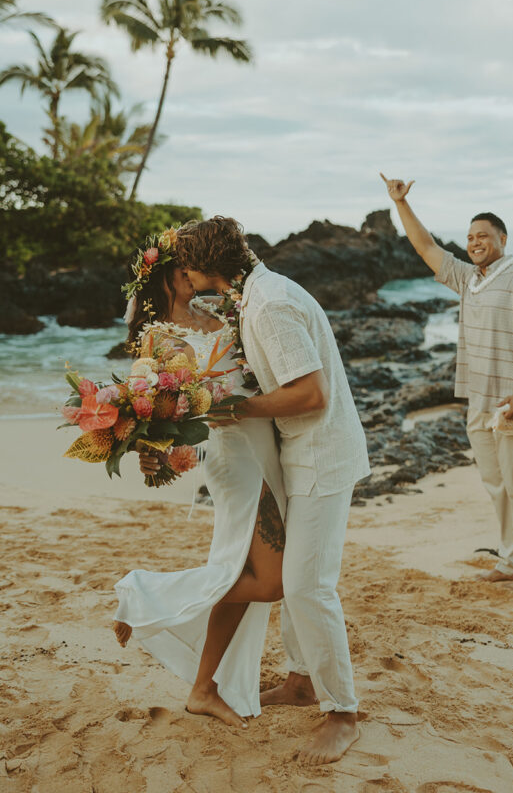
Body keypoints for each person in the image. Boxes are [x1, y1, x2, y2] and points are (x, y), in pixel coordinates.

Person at [171, 216, 370, 766]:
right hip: (297, 456)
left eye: (187, 264)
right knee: (297, 579)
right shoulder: (255, 295)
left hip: (321, 457)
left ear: (206, 266)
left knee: (307, 587)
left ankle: (342, 713)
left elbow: (310, 395)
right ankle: (303, 681)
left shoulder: (269, 305)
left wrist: (232, 407)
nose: (184, 275)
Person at [112, 229, 287, 728]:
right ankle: (142, 596)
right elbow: (161, 413)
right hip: (233, 456)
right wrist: (156, 456)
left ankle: (204, 688)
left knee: (244, 572)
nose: (193, 270)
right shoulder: (156, 337)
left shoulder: (219, 317)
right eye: (184, 264)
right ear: (169, 274)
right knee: (269, 582)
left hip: (264, 443)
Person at [380, 175, 513, 595]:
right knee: (497, 486)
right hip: (479, 400)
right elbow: (426, 247)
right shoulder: (470, 278)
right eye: (470, 236)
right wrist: (401, 204)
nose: (475, 241)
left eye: (484, 235)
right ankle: (510, 560)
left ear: (502, 238)